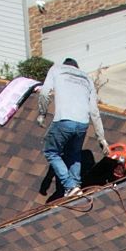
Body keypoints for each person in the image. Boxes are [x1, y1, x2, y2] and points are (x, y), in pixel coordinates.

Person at [37, 56, 97, 201]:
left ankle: (70, 186)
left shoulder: (56, 69)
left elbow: (44, 93)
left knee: (51, 151)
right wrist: (101, 138)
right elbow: (94, 111)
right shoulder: (87, 78)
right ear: (76, 67)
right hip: (83, 123)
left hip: (64, 120)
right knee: (74, 153)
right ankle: (76, 186)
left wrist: (42, 114)